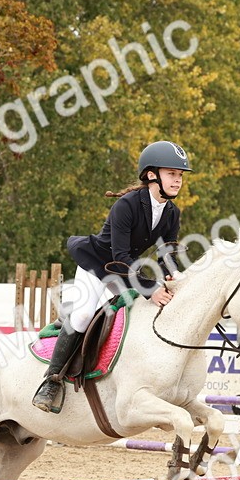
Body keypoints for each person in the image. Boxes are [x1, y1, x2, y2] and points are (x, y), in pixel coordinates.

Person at [32, 140, 191, 413]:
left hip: (125, 270)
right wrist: (150, 288)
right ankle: (52, 381)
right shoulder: (127, 205)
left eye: (179, 175)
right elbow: (119, 258)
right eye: (171, 174)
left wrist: (177, 278)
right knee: (83, 316)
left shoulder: (171, 213)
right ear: (152, 175)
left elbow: (167, 255)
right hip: (99, 265)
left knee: (132, 316)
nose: (177, 180)